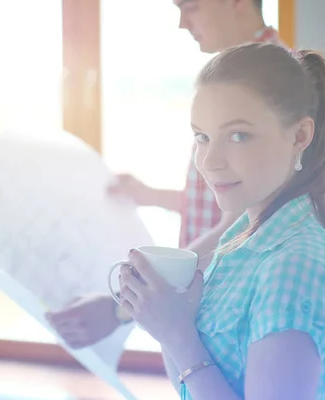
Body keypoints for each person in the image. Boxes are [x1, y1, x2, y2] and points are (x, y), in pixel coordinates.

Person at [117, 43, 325, 399]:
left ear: (300, 136)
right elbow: (188, 383)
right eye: (202, 136)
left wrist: (175, 333)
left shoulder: (293, 265)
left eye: (238, 136)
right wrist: (168, 318)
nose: (209, 161)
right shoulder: (242, 235)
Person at [45, 0, 287, 349]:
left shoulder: (262, 81)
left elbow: (238, 226)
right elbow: (234, 201)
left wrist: (121, 307)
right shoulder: (250, 74)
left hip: (232, 311)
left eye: (191, 7)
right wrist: (149, 196)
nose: (182, 24)